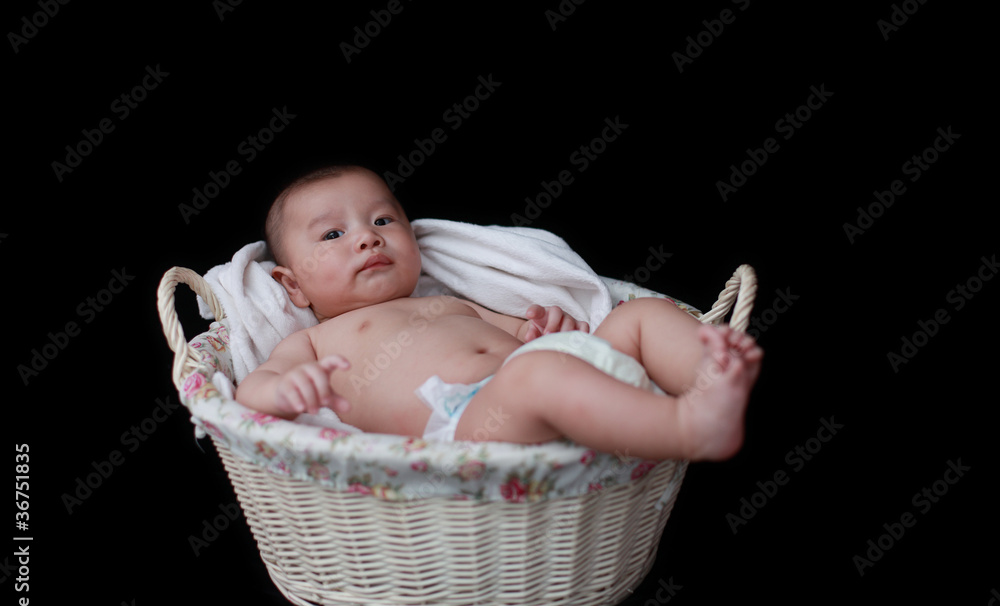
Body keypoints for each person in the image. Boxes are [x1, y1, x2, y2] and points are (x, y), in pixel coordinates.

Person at [235, 165, 763, 461]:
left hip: (545, 381)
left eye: (383, 220)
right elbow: (251, 389)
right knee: (536, 376)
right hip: (468, 429)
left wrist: (548, 328)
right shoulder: (317, 342)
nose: (368, 236)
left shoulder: (448, 301)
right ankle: (688, 429)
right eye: (333, 234)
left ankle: (711, 377)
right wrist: (286, 392)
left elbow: (525, 337)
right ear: (292, 285)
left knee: (640, 314)